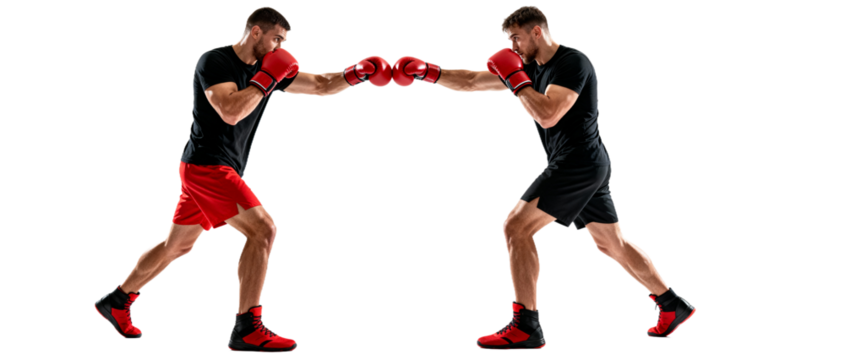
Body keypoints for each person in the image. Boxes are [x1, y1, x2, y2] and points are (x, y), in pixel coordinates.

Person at [392, 5, 697, 348]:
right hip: (585, 164)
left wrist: (518, 81)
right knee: (611, 243)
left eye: (516, 38)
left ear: (537, 31)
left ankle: (527, 325)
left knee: (516, 227)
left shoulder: (572, 63)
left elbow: (549, 113)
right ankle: (672, 303)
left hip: (576, 163)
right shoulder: (530, 67)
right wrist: (430, 73)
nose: (513, 47)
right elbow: (472, 81)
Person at [91, 6, 392, 353]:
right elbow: (230, 109)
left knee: (178, 245)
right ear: (256, 32)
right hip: (208, 166)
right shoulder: (214, 62)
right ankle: (247, 327)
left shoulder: (269, 67)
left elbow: (322, 85)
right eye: (277, 39)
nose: (280, 47)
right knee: (263, 230)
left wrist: (356, 74)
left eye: (284, 42)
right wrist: (266, 78)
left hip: (213, 168)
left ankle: (117, 300)